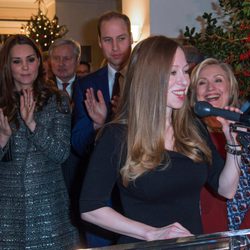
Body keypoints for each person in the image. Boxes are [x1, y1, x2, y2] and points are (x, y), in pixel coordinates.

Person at [79, 36, 241, 245]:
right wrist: (151, 234)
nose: (184, 81)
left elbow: (226, 189)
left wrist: (233, 143)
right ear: (149, 79)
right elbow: (90, 208)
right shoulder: (117, 135)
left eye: (185, 71)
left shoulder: (193, 128)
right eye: (173, 73)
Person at [0, 35, 79, 249]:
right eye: (17, 61)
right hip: (6, 209)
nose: (25, 67)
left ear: (39, 62)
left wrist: (33, 124)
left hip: (49, 207)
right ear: (7, 66)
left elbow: (62, 153)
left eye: (31, 59)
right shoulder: (1, 102)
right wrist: (3, 139)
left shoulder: (57, 99)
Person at [72, 11, 133, 247]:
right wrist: (99, 126)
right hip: (102, 199)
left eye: (121, 38)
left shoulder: (147, 81)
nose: (115, 47)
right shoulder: (86, 85)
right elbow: (77, 143)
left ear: (131, 39)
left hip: (143, 195)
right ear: (99, 42)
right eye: (108, 40)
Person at [189, 57, 250, 233]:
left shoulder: (245, 127)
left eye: (218, 80)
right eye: (202, 83)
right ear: (194, 94)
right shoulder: (189, 135)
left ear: (230, 89)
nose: (210, 88)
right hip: (210, 234)